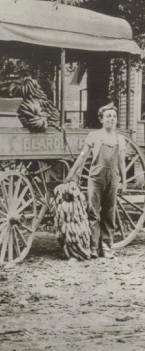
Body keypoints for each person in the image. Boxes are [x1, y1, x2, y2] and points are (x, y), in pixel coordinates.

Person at [64, 103, 126, 259]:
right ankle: (93, 248)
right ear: (101, 119)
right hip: (96, 179)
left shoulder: (120, 138)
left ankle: (106, 248)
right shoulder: (94, 135)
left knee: (109, 214)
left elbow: (121, 162)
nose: (111, 119)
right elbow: (83, 156)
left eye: (113, 116)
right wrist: (71, 175)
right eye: (108, 116)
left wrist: (123, 182)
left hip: (113, 179)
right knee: (93, 213)